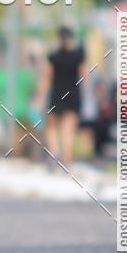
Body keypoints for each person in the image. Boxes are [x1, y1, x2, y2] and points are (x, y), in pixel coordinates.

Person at [37, 26, 86, 168]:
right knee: (68, 129)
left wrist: (40, 97)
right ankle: (67, 158)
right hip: (73, 95)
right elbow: (84, 77)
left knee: (51, 126)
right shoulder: (78, 56)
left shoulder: (54, 57)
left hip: (57, 94)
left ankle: (54, 153)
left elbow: (47, 78)